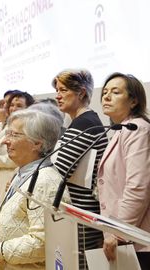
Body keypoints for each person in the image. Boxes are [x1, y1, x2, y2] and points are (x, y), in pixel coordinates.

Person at [0, 109, 70, 269]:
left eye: (14, 135)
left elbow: (42, 242)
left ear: (37, 143)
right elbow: (19, 217)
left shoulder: (45, 181)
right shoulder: (24, 172)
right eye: (7, 134)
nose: (5, 140)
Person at [52, 69, 108, 268]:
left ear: (82, 93)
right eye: (57, 90)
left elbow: (58, 170)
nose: (57, 95)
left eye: (63, 90)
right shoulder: (79, 122)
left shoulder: (85, 124)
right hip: (75, 212)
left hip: (81, 214)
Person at [97, 73, 150, 267]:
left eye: (115, 92)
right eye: (104, 92)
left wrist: (118, 231)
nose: (106, 97)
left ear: (134, 100)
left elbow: (138, 187)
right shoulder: (123, 130)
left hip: (136, 239)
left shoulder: (138, 129)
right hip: (126, 237)